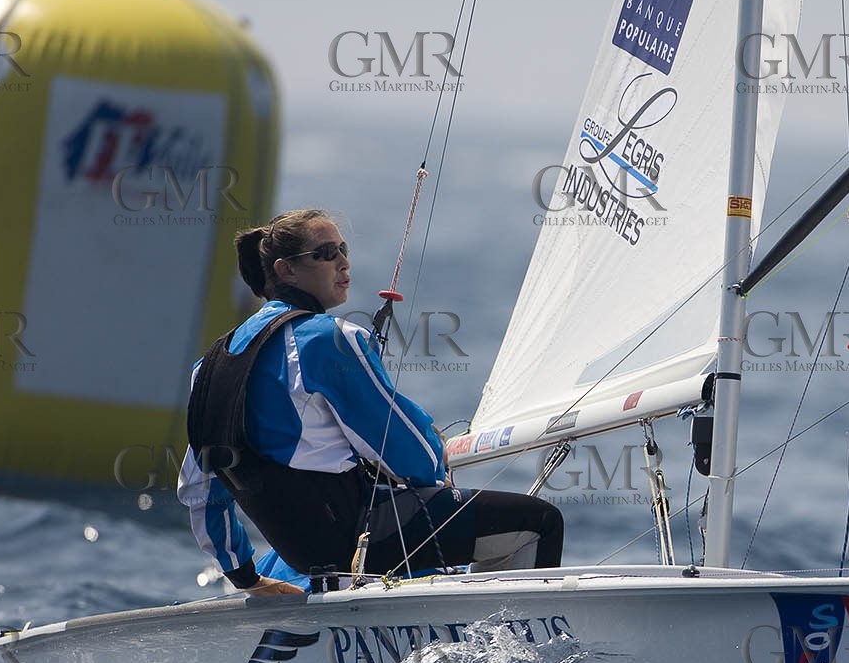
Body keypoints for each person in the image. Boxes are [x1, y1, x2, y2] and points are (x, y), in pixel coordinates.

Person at [178, 208, 562, 595]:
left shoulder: (207, 368)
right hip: (358, 539)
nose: (343, 262)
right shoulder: (330, 339)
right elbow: (408, 453)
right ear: (286, 270)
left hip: (300, 555)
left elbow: (201, 491)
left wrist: (248, 579)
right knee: (539, 522)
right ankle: (507, 629)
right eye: (325, 253)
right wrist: (436, 463)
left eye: (343, 249)